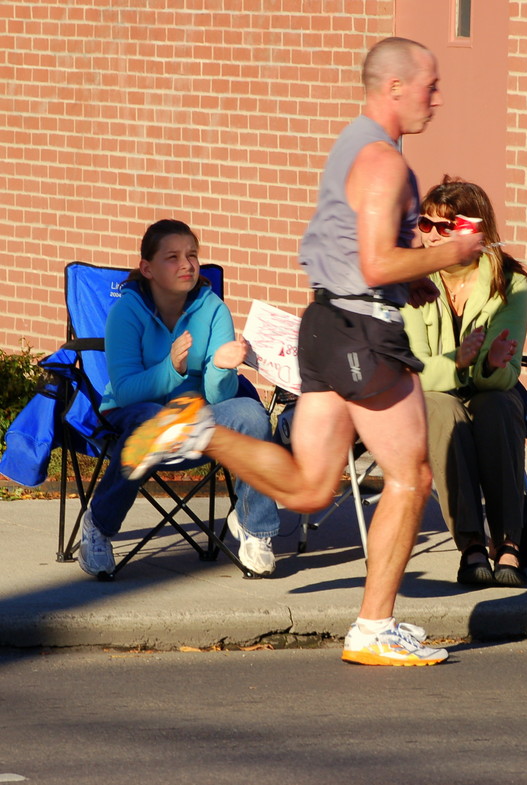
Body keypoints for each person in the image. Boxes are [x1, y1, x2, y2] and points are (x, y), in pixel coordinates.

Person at [117, 37, 482, 666]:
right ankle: (373, 627)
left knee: (312, 487)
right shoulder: (383, 160)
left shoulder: (354, 146)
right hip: (363, 334)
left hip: (328, 325)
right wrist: (447, 255)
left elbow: (357, 253)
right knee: (410, 477)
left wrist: (409, 278)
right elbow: (372, 260)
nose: (438, 98)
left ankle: (197, 431)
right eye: (430, 85)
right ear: (394, 87)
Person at [77, 219, 280, 578]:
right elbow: (124, 391)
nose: (186, 264)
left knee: (251, 412)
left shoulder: (212, 308)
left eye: (192, 255)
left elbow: (220, 396)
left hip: (196, 418)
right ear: (147, 268)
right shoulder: (126, 311)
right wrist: (172, 367)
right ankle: (100, 524)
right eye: (172, 257)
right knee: (153, 418)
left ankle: (254, 528)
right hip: (137, 416)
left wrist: (220, 367)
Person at [402, 177, 527, 587]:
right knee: (445, 409)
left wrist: (489, 365)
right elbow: (414, 368)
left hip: (491, 389)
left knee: (496, 408)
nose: (433, 237)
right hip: (430, 395)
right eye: (426, 225)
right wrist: (458, 361)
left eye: (446, 227)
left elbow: (506, 373)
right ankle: (472, 544)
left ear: (474, 229)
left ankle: (509, 543)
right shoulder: (409, 280)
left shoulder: (510, 282)